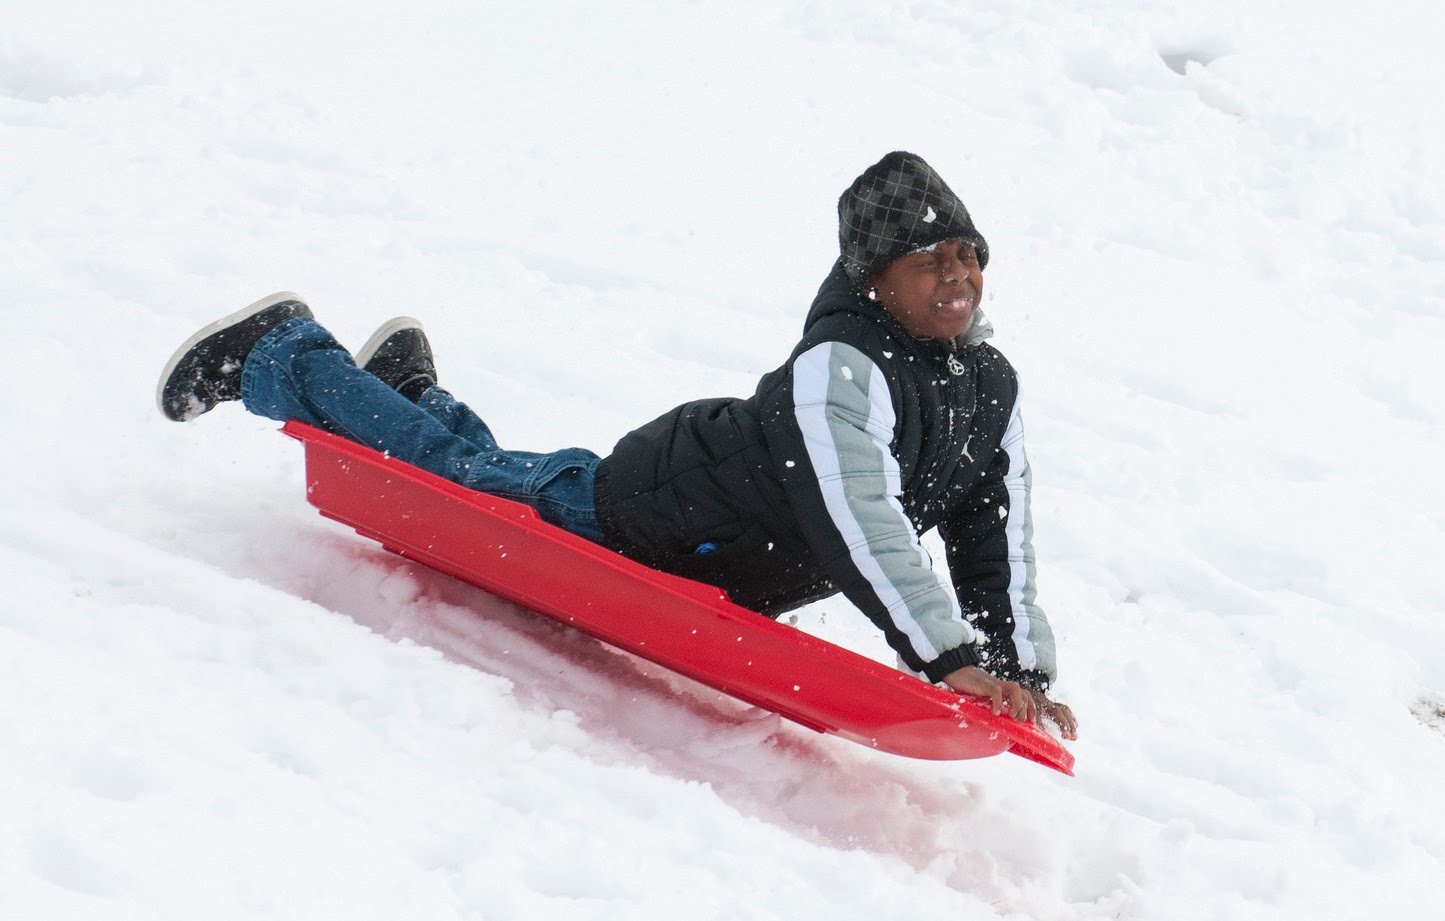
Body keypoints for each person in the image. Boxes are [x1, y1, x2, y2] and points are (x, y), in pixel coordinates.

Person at [158, 151, 1077, 739]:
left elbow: (999, 528)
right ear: (874, 280)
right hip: (652, 510)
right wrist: (944, 656)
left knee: (497, 474)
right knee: (464, 483)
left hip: (716, 539)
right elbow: (863, 523)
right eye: (930, 262)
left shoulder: (985, 383)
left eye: (967, 256)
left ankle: (407, 389)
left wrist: (1011, 665)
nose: (958, 278)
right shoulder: (843, 366)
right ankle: (284, 352)